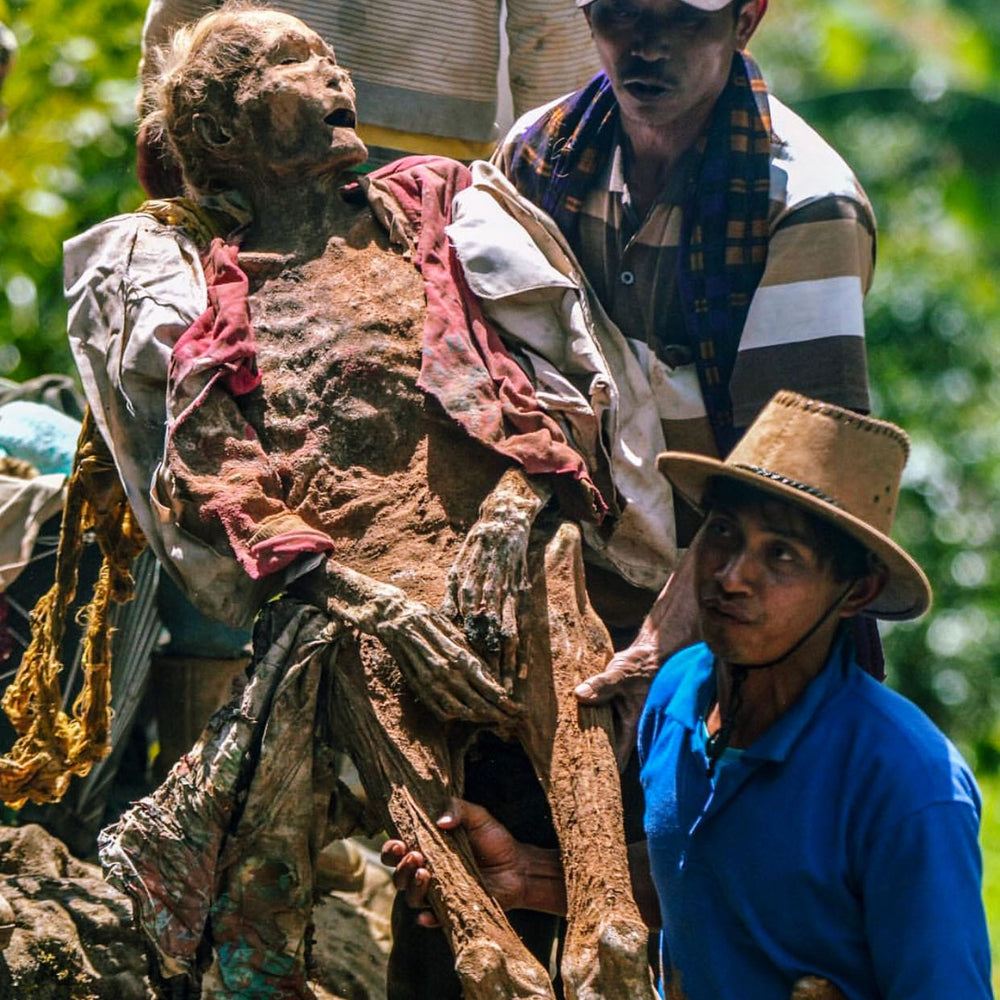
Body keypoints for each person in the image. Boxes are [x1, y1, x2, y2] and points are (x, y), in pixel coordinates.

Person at [62, 8, 655, 996]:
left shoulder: (433, 204)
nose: (334, 75)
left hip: (507, 554)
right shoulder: (219, 307)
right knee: (352, 659)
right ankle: (483, 941)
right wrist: (379, 603)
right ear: (220, 136)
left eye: (330, 56)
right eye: (297, 63)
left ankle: (609, 928)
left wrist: (515, 507)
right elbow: (217, 477)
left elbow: (553, 379)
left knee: (555, 592)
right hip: (373, 598)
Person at [386, 390, 994, 999]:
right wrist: (529, 874)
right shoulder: (678, 692)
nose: (731, 575)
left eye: (781, 554)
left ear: (858, 592)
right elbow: (698, 873)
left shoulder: (910, 783)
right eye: (724, 533)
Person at [495, 0, 881, 711]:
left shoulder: (803, 204)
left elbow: (789, 480)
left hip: (729, 594)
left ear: (746, 19)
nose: (647, 47)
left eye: (681, 19)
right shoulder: (537, 155)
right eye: (621, 15)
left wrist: (664, 639)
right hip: (559, 566)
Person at [137, 0, 601, 190]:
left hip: (261, 144)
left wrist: (163, 134)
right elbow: (551, 30)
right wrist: (550, 173)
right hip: (429, 159)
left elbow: (178, 20)